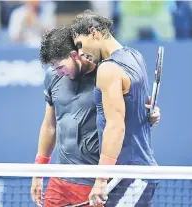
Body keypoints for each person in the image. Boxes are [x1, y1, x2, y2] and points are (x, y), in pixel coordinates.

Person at [31, 25, 160, 206]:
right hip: (59, 179)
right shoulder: (52, 76)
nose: (58, 73)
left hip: (92, 184)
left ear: (75, 55)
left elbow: (123, 120)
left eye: (60, 66)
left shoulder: (106, 73)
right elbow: (49, 125)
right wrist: (38, 171)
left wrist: (149, 115)